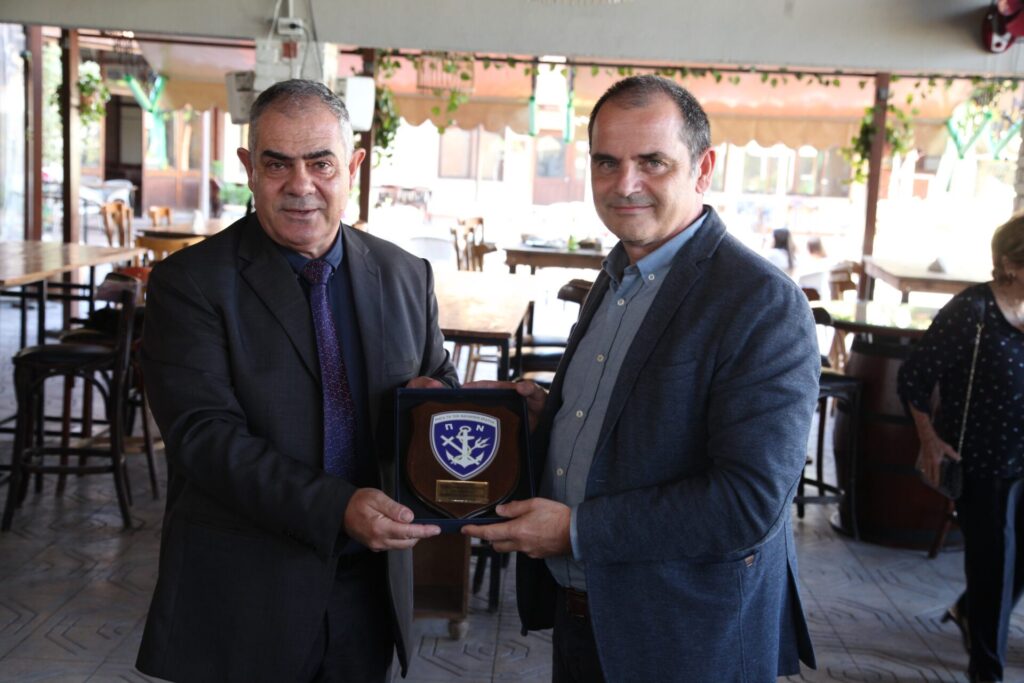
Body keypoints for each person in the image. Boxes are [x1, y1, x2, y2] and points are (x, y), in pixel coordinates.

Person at [463, 75, 820, 681]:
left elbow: (748, 501)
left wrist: (576, 530)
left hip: (686, 638)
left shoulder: (761, 302)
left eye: (652, 162)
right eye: (606, 162)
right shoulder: (618, 275)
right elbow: (638, 420)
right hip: (586, 616)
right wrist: (547, 417)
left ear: (703, 169)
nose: (624, 184)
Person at [135, 79, 457, 683]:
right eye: (277, 164)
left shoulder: (405, 275)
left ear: (353, 167)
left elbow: (436, 380)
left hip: (368, 595)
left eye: (320, 163)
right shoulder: (190, 283)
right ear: (248, 169)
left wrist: (439, 405)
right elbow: (204, 438)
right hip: (243, 598)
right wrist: (338, 508)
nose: (300, 185)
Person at [898, 212, 1024, 683]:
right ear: (1010, 264)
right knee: (994, 566)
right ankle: (987, 672)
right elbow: (913, 378)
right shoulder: (973, 312)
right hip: (983, 462)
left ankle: (969, 611)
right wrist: (930, 441)